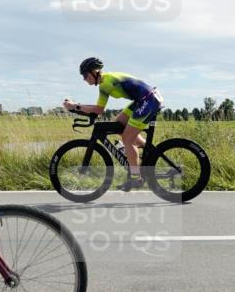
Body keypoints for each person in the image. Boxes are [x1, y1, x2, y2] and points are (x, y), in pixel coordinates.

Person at [63, 57, 162, 191]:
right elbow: (99, 109)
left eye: (85, 75)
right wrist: (76, 107)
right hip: (143, 99)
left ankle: (136, 179)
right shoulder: (103, 85)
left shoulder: (107, 82)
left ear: (94, 71)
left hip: (148, 100)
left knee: (127, 139)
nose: (84, 79)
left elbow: (98, 110)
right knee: (119, 125)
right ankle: (149, 150)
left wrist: (75, 106)